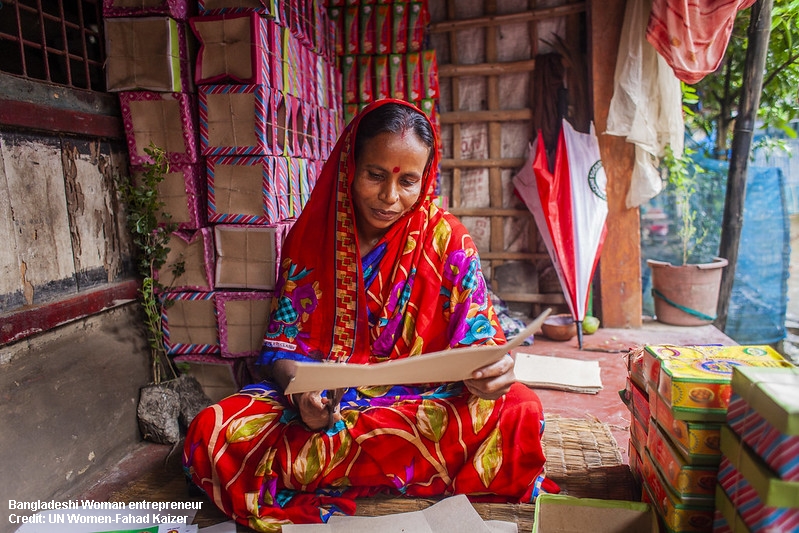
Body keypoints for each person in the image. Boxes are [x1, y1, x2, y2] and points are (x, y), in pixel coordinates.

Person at [183, 99, 556, 532]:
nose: (389, 197)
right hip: (330, 409)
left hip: (424, 400)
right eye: (375, 175)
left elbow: (481, 339)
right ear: (350, 167)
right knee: (213, 429)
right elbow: (280, 349)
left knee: (519, 408)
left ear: (426, 178)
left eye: (408, 181)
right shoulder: (311, 239)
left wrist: (494, 371)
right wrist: (301, 394)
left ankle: (333, 470)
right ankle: (407, 470)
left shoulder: (446, 239)